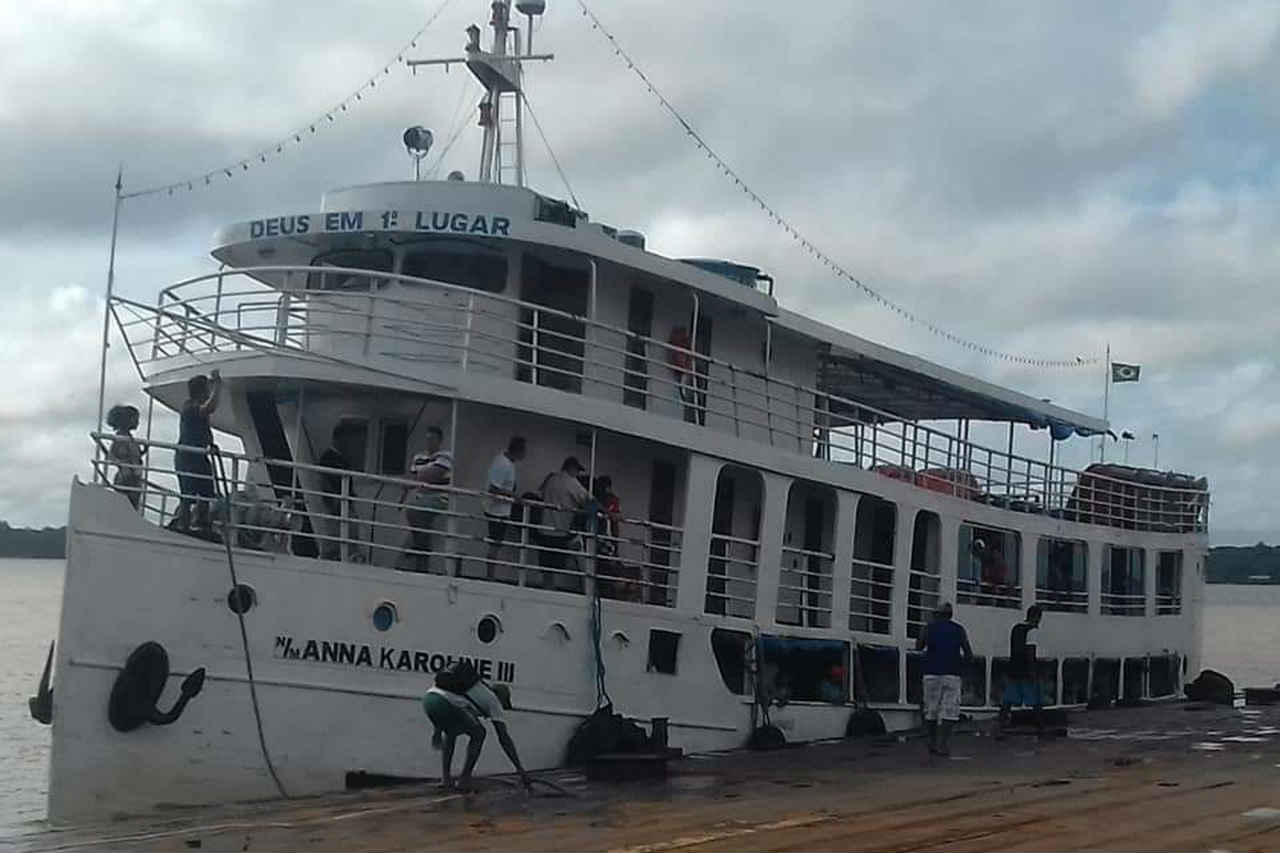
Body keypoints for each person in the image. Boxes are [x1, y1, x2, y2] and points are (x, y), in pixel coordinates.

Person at [422, 670, 530, 792]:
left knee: (451, 732)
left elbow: (446, 697)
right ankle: (464, 779)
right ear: (502, 698)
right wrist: (520, 770)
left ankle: (446, 778)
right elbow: (504, 738)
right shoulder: (494, 701)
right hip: (445, 704)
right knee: (479, 733)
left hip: (428, 700)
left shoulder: (477, 689)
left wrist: (437, 731)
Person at [916, 602, 973, 756]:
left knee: (931, 710)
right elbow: (968, 652)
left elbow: (918, 646)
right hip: (952, 673)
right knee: (950, 711)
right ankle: (942, 744)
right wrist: (965, 669)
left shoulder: (929, 628)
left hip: (931, 673)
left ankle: (932, 742)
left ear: (938, 615)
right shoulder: (959, 629)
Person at [173, 370, 221, 535]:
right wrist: (218, 386)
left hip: (199, 455)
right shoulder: (189, 406)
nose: (208, 392)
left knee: (206, 492)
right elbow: (209, 408)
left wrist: (211, 443)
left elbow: (203, 428)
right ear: (201, 391)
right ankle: (184, 525)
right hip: (187, 457)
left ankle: (202, 523)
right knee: (187, 493)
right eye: (207, 389)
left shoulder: (195, 408)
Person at [402, 426, 453, 574]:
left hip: (439, 498)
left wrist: (417, 478)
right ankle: (421, 552)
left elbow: (433, 475)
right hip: (421, 497)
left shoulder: (445, 456)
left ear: (439, 441)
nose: (430, 442)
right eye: (428, 439)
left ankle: (420, 548)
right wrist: (407, 487)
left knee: (413, 511)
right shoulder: (418, 457)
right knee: (418, 519)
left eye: (433, 439)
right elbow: (413, 477)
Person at [539, 457, 594, 590]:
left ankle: (548, 586)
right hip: (561, 530)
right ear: (571, 468)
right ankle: (588, 588)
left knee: (547, 563)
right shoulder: (571, 482)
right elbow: (588, 501)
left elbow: (541, 493)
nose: (577, 474)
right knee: (578, 552)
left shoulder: (551, 479)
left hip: (545, 528)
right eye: (577, 470)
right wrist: (606, 513)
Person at [483, 436, 526, 579]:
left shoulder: (506, 461)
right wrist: (514, 496)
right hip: (496, 511)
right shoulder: (503, 464)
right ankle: (490, 576)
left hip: (502, 510)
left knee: (496, 544)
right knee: (494, 545)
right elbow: (493, 487)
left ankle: (491, 575)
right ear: (519, 451)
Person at [999, 605, 1044, 737]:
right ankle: (1040, 726)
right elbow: (1030, 652)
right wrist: (1033, 672)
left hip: (1014, 669)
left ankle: (1000, 725)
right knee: (1036, 700)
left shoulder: (1016, 628)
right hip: (1026, 670)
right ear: (1036, 617)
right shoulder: (1032, 631)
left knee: (1008, 699)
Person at [316, 428, 353, 560]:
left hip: (345, 501)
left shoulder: (342, 458)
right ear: (337, 439)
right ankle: (327, 557)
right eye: (345, 439)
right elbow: (323, 479)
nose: (347, 443)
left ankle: (348, 556)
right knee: (334, 533)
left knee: (350, 531)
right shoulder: (328, 458)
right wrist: (332, 499)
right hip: (335, 502)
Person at [107, 404, 147, 511]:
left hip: (133, 478)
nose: (138, 422)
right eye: (135, 419)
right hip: (126, 478)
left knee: (132, 508)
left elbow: (131, 456)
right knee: (126, 508)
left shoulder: (129, 438)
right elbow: (112, 456)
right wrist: (123, 466)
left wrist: (143, 452)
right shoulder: (121, 437)